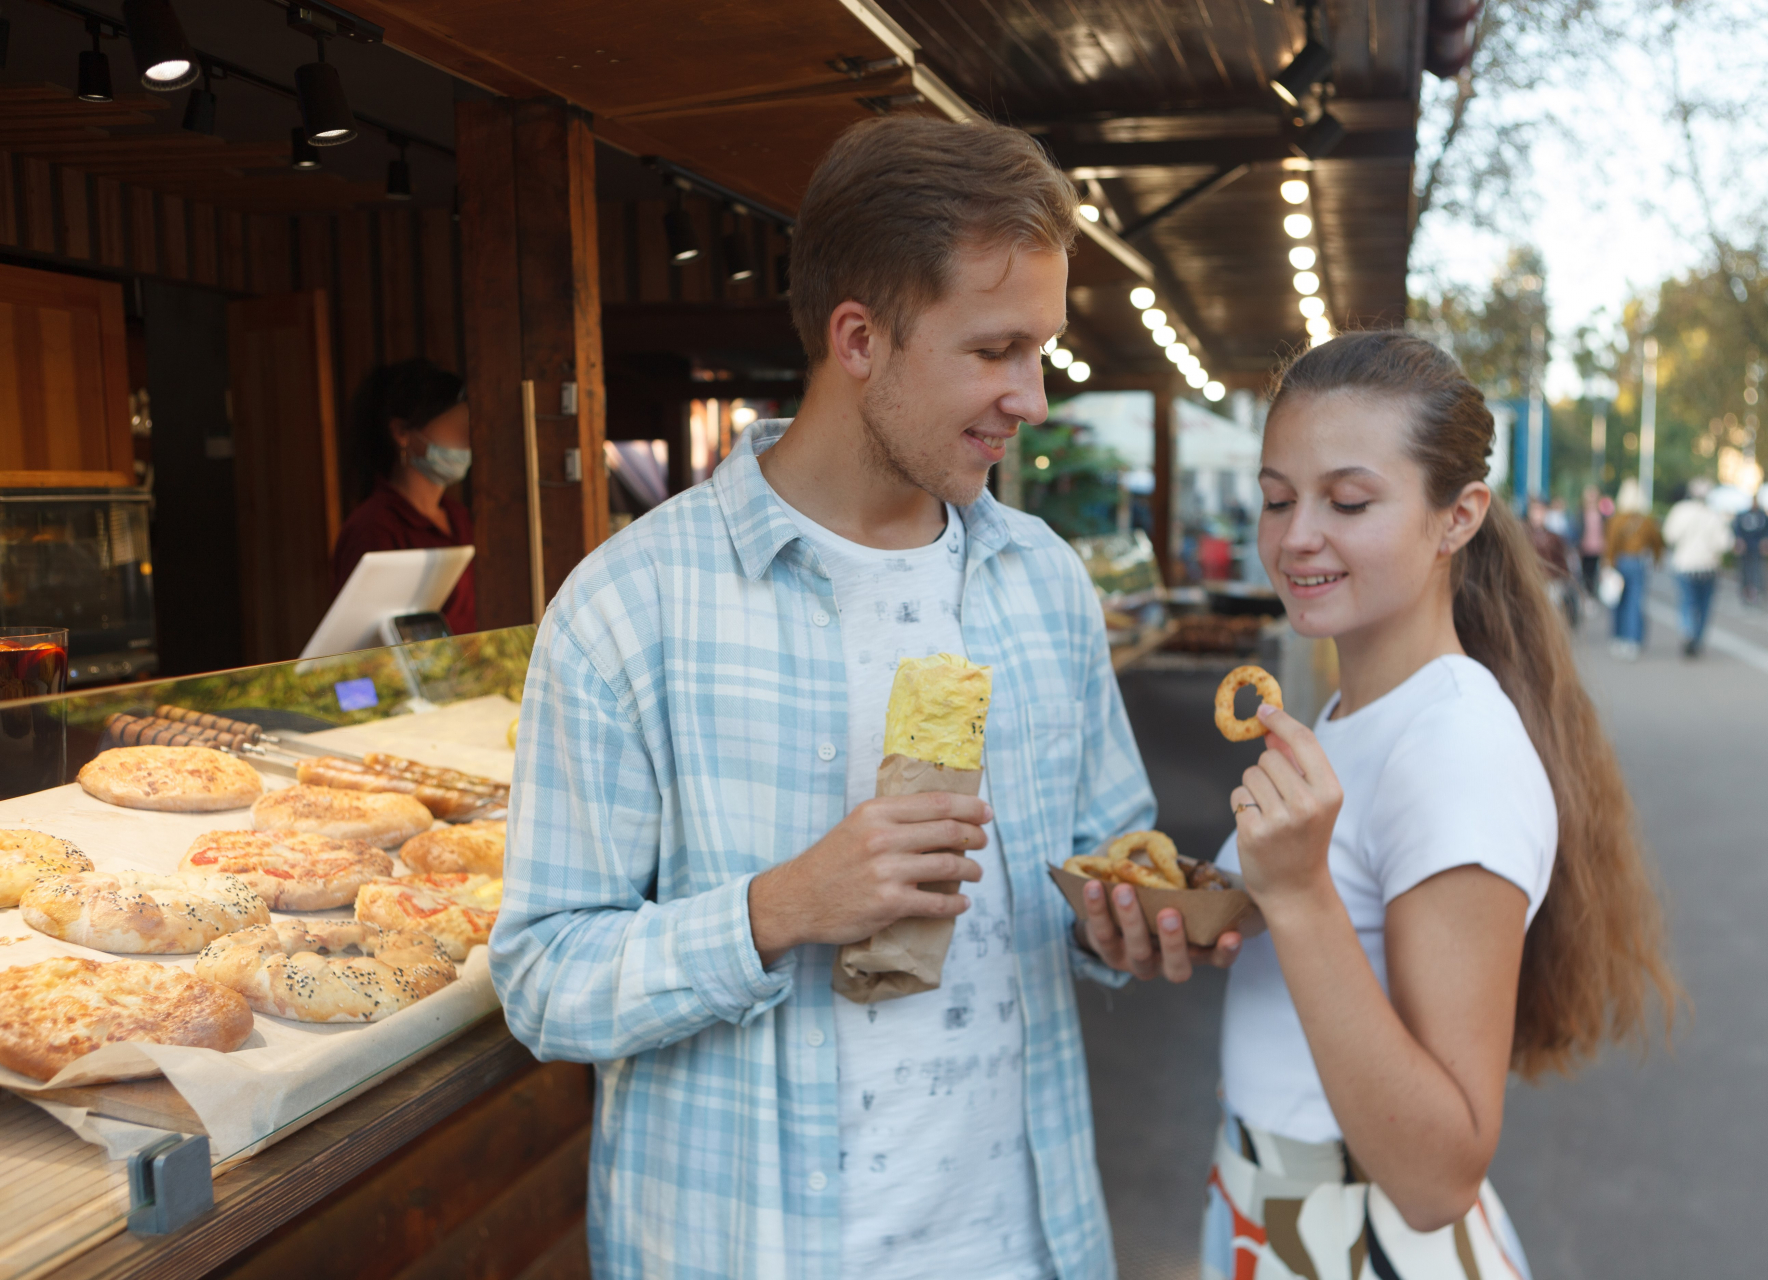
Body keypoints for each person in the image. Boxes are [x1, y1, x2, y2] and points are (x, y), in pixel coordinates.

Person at [488, 116, 1239, 1280]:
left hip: (1027, 1244)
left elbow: (1100, 855)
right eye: (996, 350)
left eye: (1039, 350)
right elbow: (544, 980)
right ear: (859, 338)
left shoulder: (1044, 582)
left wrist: (1122, 923)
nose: (1034, 397)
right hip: (748, 1250)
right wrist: (780, 906)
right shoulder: (629, 605)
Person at [1202, 332, 1677, 1279]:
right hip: (1269, 1203)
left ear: (1457, 517)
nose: (1296, 537)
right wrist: (1192, 920)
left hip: (1352, 1232)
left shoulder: (1454, 750)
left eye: (1348, 502)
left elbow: (1437, 1177)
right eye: (1278, 499)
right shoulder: (1359, 710)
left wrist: (1296, 895)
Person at [330, 359, 476, 633]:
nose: (465, 439)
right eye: (452, 426)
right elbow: (363, 638)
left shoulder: (460, 517)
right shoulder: (373, 529)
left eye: (466, 426)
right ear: (401, 432)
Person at [1662, 477, 1733, 658]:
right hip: (1708, 566)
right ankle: (1698, 638)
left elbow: (1670, 536)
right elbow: (1725, 543)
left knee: (1687, 602)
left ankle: (1688, 632)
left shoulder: (1679, 511)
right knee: (1704, 605)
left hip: (1685, 565)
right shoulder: (1713, 514)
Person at [1604, 478, 1662, 660]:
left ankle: (1618, 637)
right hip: (1638, 562)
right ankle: (1633, 640)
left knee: (1619, 603)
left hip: (1620, 562)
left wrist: (1608, 564)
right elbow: (1657, 541)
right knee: (1635, 603)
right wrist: (1657, 560)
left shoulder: (1617, 519)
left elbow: (1611, 543)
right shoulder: (1646, 520)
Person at [1525, 497, 1579, 627]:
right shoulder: (1522, 535)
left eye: (1540, 511)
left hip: (1551, 583)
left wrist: (1565, 579)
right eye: (1534, 510)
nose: (1537, 515)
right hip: (1529, 581)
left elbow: (1561, 562)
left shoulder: (1554, 538)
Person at [1731, 494, 1768, 606]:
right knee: (1745, 572)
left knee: (1758, 572)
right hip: (1745, 549)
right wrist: (1739, 541)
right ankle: (1745, 593)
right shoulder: (1743, 515)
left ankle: (1757, 592)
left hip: (1757, 549)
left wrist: (1766, 541)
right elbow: (1737, 529)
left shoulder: (1763, 516)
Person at [1578, 485, 1607, 598]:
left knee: (1596, 573)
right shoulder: (1582, 511)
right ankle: (1587, 593)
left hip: (1598, 547)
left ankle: (1593, 594)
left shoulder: (1601, 511)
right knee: (1585, 573)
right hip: (1585, 547)